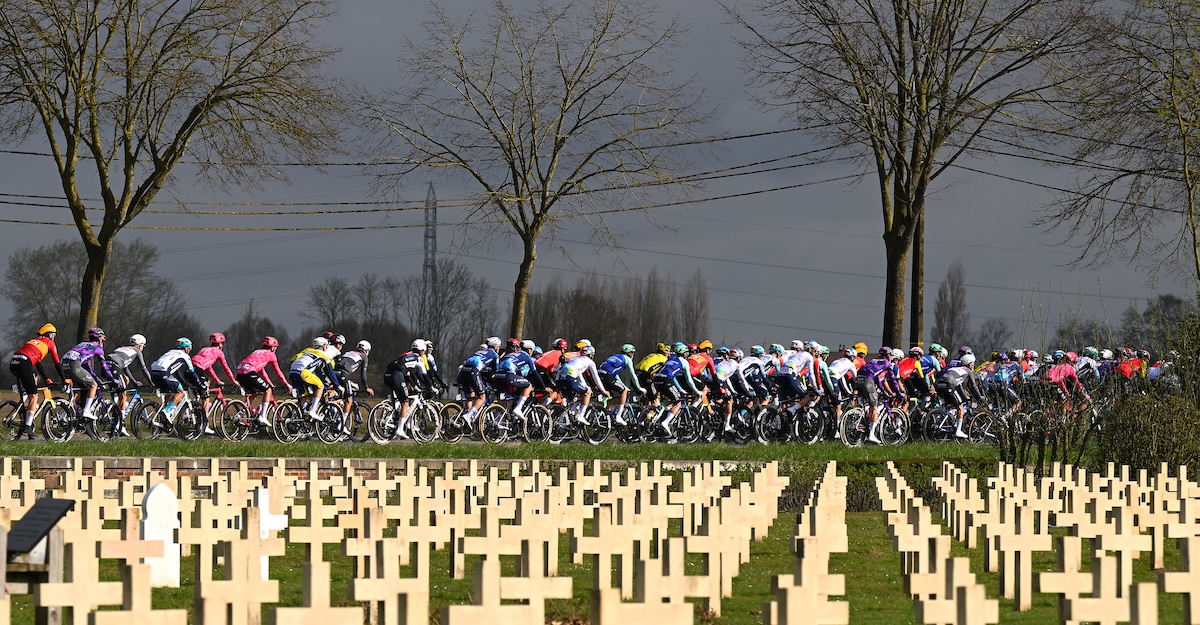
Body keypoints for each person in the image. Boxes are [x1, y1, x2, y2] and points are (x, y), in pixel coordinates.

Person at [9, 323, 66, 439]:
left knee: (34, 379)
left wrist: (46, 378)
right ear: (49, 335)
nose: (54, 337)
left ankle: (25, 410)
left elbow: (38, 362)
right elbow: (57, 363)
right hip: (25, 363)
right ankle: (27, 426)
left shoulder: (34, 341)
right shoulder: (50, 343)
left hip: (14, 361)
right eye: (53, 335)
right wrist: (64, 379)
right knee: (34, 395)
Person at [61, 327, 120, 420]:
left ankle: (64, 415)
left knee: (77, 393)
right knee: (93, 385)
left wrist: (97, 378)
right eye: (103, 340)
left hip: (63, 365)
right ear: (100, 339)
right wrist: (113, 380)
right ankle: (86, 411)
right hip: (74, 366)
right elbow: (104, 367)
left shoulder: (83, 345)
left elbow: (88, 367)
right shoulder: (97, 348)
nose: (103, 343)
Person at [236, 336, 293, 426]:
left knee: (252, 394)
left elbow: (262, 372)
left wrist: (270, 383)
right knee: (267, 390)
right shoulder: (271, 355)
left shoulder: (257, 351)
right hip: (249, 372)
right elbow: (278, 372)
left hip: (240, 372)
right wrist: (287, 384)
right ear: (273, 348)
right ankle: (262, 416)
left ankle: (239, 415)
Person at [653, 342, 703, 438]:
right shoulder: (684, 362)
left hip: (657, 379)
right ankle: (665, 423)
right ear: (684, 353)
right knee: (678, 402)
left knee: (669, 402)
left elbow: (674, 377)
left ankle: (659, 418)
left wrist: (680, 389)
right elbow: (689, 380)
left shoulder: (671, 360)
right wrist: (697, 391)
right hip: (666, 380)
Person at [150, 337, 204, 426]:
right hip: (164, 372)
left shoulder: (170, 352)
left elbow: (176, 371)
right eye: (189, 349)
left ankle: (164, 417)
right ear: (186, 348)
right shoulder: (185, 356)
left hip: (153, 372)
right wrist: (199, 384)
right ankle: (166, 411)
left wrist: (184, 383)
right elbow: (192, 372)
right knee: (181, 392)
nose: (189, 351)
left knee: (169, 392)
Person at [934, 350, 982, 439]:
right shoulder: (968, 371)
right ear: (969, 363)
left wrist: (965, 396)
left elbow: (959, 386)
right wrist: (979, 398)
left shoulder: (956, 368)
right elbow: (973, 386)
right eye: (973, 363)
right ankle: (958, 431)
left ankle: (945, 421)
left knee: (950, 405)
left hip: (939, 385)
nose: (973, 365)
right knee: (960, 407)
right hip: (948, 385)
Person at [106, 333, 154, 420]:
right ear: (139, 345)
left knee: (125, 379)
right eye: (143, 346)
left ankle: (116, 403)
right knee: (124, 395)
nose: (143, 348)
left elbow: (125, 369)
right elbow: (143, 368)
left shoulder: (121, 348)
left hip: (106, 366)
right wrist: (151, 382)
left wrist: (134, 381)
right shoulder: (137, 350)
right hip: (115, 367)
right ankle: (121, 422)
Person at [556, 343, 607, 424]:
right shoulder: (590, 362)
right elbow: (596, 378)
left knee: (571, 401)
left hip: (559, 379)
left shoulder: (575, 359)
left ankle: (561, 421)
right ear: (590, 355)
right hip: (570, 379)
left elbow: (579, 374)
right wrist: (603, 391)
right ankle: (581, 416)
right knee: (588, 392)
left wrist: (585, 386)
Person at [598, 343, 647, 426]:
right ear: (630, 353)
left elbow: (615, 373)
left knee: (610, 396)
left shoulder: (615, 356)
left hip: (600, 374)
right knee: (623, 391)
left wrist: (623, 385)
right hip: (607, 376)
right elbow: (633, 375)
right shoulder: (627, 359)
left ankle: (604, 415)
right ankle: (618, 416)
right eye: (633, 353)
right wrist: (639, 388)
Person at [289, 337, 338, 420]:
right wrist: (337, 385)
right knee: (320, 386)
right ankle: (313, 410)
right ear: (322, 346)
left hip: (292, 372)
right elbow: (329, 371)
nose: (327, 348)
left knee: (304, 395)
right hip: (303, 372)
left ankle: (297, 417)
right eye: (326, 346)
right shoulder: (324, 354)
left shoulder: (308, 351)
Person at [191, 333, 239, 416]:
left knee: (204, 386)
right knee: (206, 394)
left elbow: (209, 368)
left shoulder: (204, 349)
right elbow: (226, 368)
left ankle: (198, 409)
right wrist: (233, 380)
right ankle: (204, 423)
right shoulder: (219, 352)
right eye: (222, 343)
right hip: (198, 369)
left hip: (190, 368)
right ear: (220, 344)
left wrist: (218, 380)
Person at [494, 338, 544, 417]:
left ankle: (499, 420)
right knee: (528, 385)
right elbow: (535, 374)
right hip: (508, 376)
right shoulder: (527, 357)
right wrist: (542, 387)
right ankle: (518, 408)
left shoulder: (512, 354)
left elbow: (518, 372)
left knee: (507, 398)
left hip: (497, 376)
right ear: (529, 350)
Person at [457, 337, 501, 425]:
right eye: (499, 346)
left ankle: (468, 419)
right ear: (495, 347)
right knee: (482, 397)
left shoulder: (480, 352)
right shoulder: (494, 355)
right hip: (473, 372)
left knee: (470, 396)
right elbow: (495, 371)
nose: (499, 349)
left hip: (463, 371)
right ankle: (468, 415)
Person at [334, 340, 374, 431]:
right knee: (349, 400)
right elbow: (363, 375)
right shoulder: (363, 357)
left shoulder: (348, 353)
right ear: (367, 350)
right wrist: (366, 387)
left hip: (334, 373)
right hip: (344, 374)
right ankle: (342, 425)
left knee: (339, 394)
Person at [633, 342, 670, 406]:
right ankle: (649, 415)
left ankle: (643, 413)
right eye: (668, 353)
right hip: (645, 375)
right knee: (655, 401)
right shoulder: (664, 359)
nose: (669, 355)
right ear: (664, 352)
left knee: (648, 398)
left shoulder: (651, 355)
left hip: (635, 374)